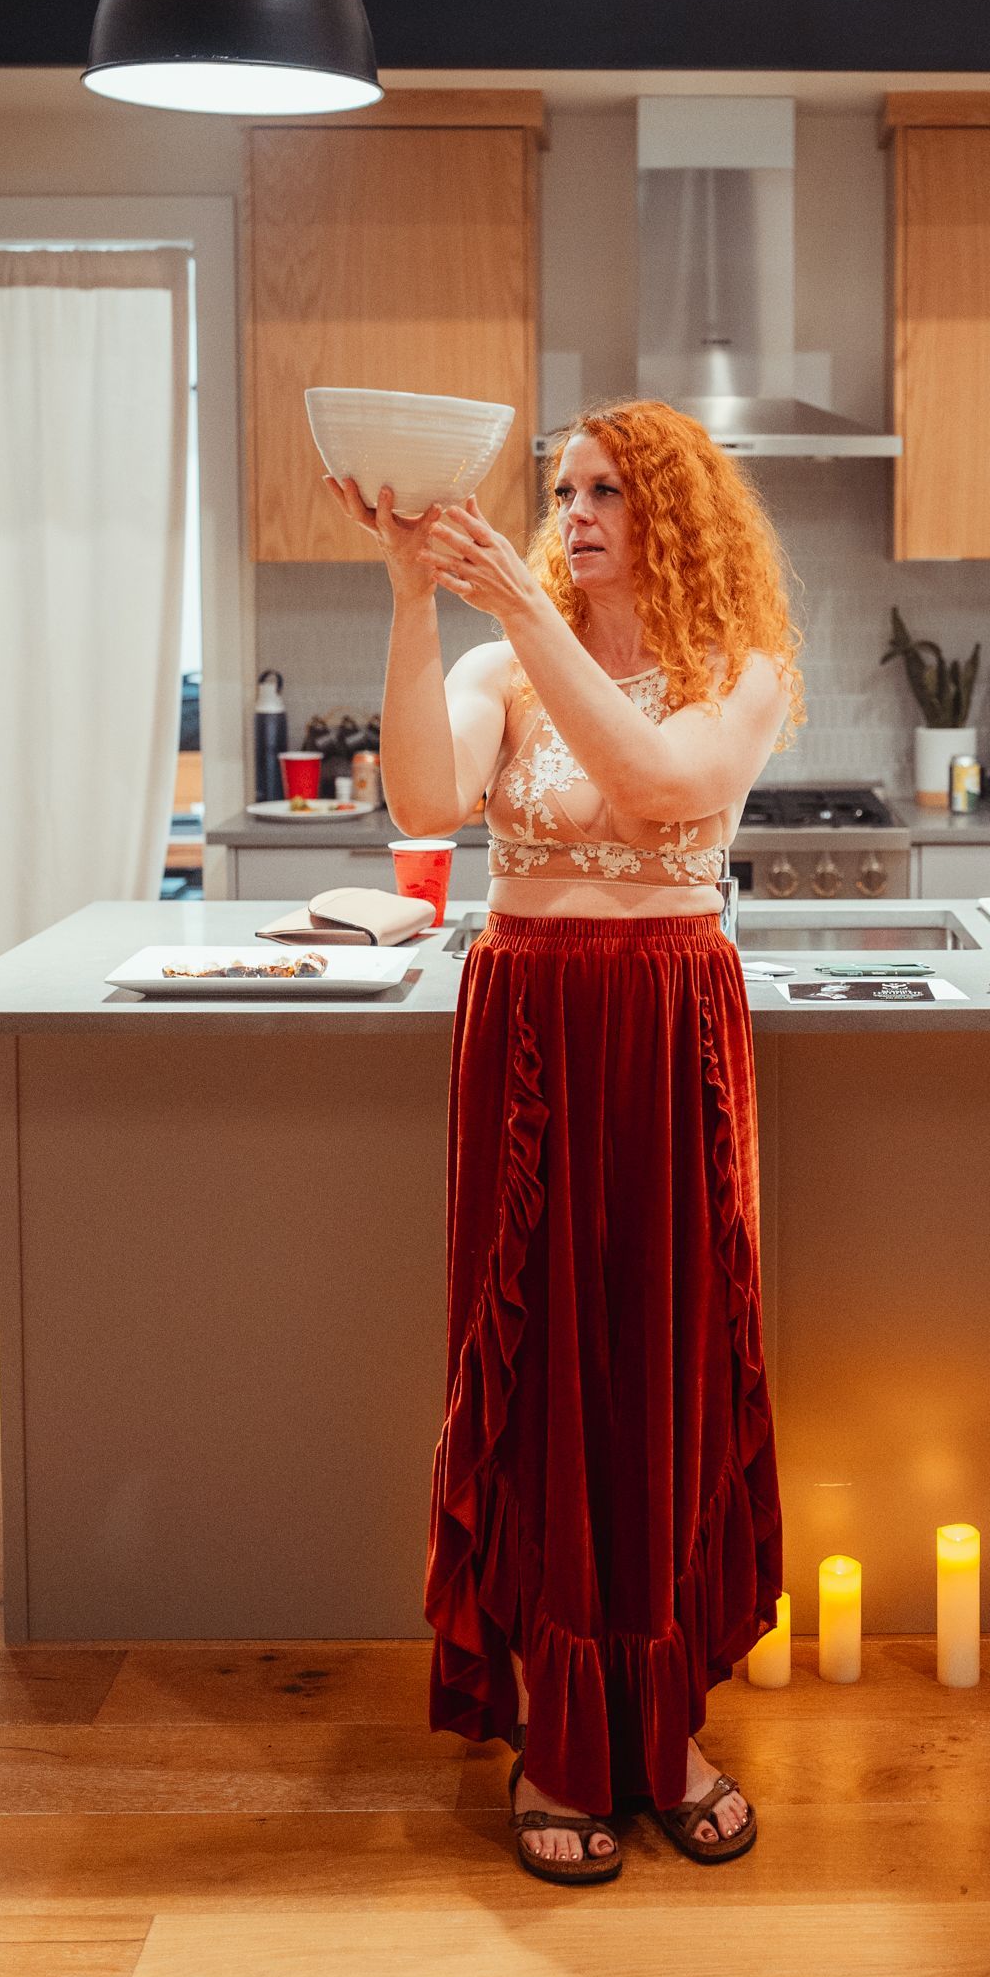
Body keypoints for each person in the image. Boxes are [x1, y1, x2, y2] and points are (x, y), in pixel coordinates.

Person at [324, 397, 806, 1886]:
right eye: (565, 488)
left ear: (675, 515)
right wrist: (414, 599)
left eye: (612, 489)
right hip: (525, 1020)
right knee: (532, 1372)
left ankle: (660, 1728)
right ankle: (556, 1732)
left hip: (668, 1029)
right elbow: (419, 799)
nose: (578, 507)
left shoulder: (746, 672)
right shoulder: (496, 666)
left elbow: (666, 789)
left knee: (659, 1356)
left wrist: (523, 601)